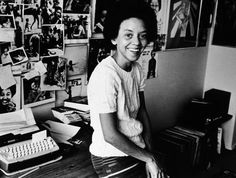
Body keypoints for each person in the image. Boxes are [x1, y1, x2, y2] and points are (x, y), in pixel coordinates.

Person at [87, 0, 167, 178]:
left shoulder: (137, 69)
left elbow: (142, 112)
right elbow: (110, 135)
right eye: (128, 35)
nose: (137, 42)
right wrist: (150, 159)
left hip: (136, 148)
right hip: (111, 154)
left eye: (143, 35)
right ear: (114, 38)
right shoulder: (106, 75)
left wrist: (150, 154)